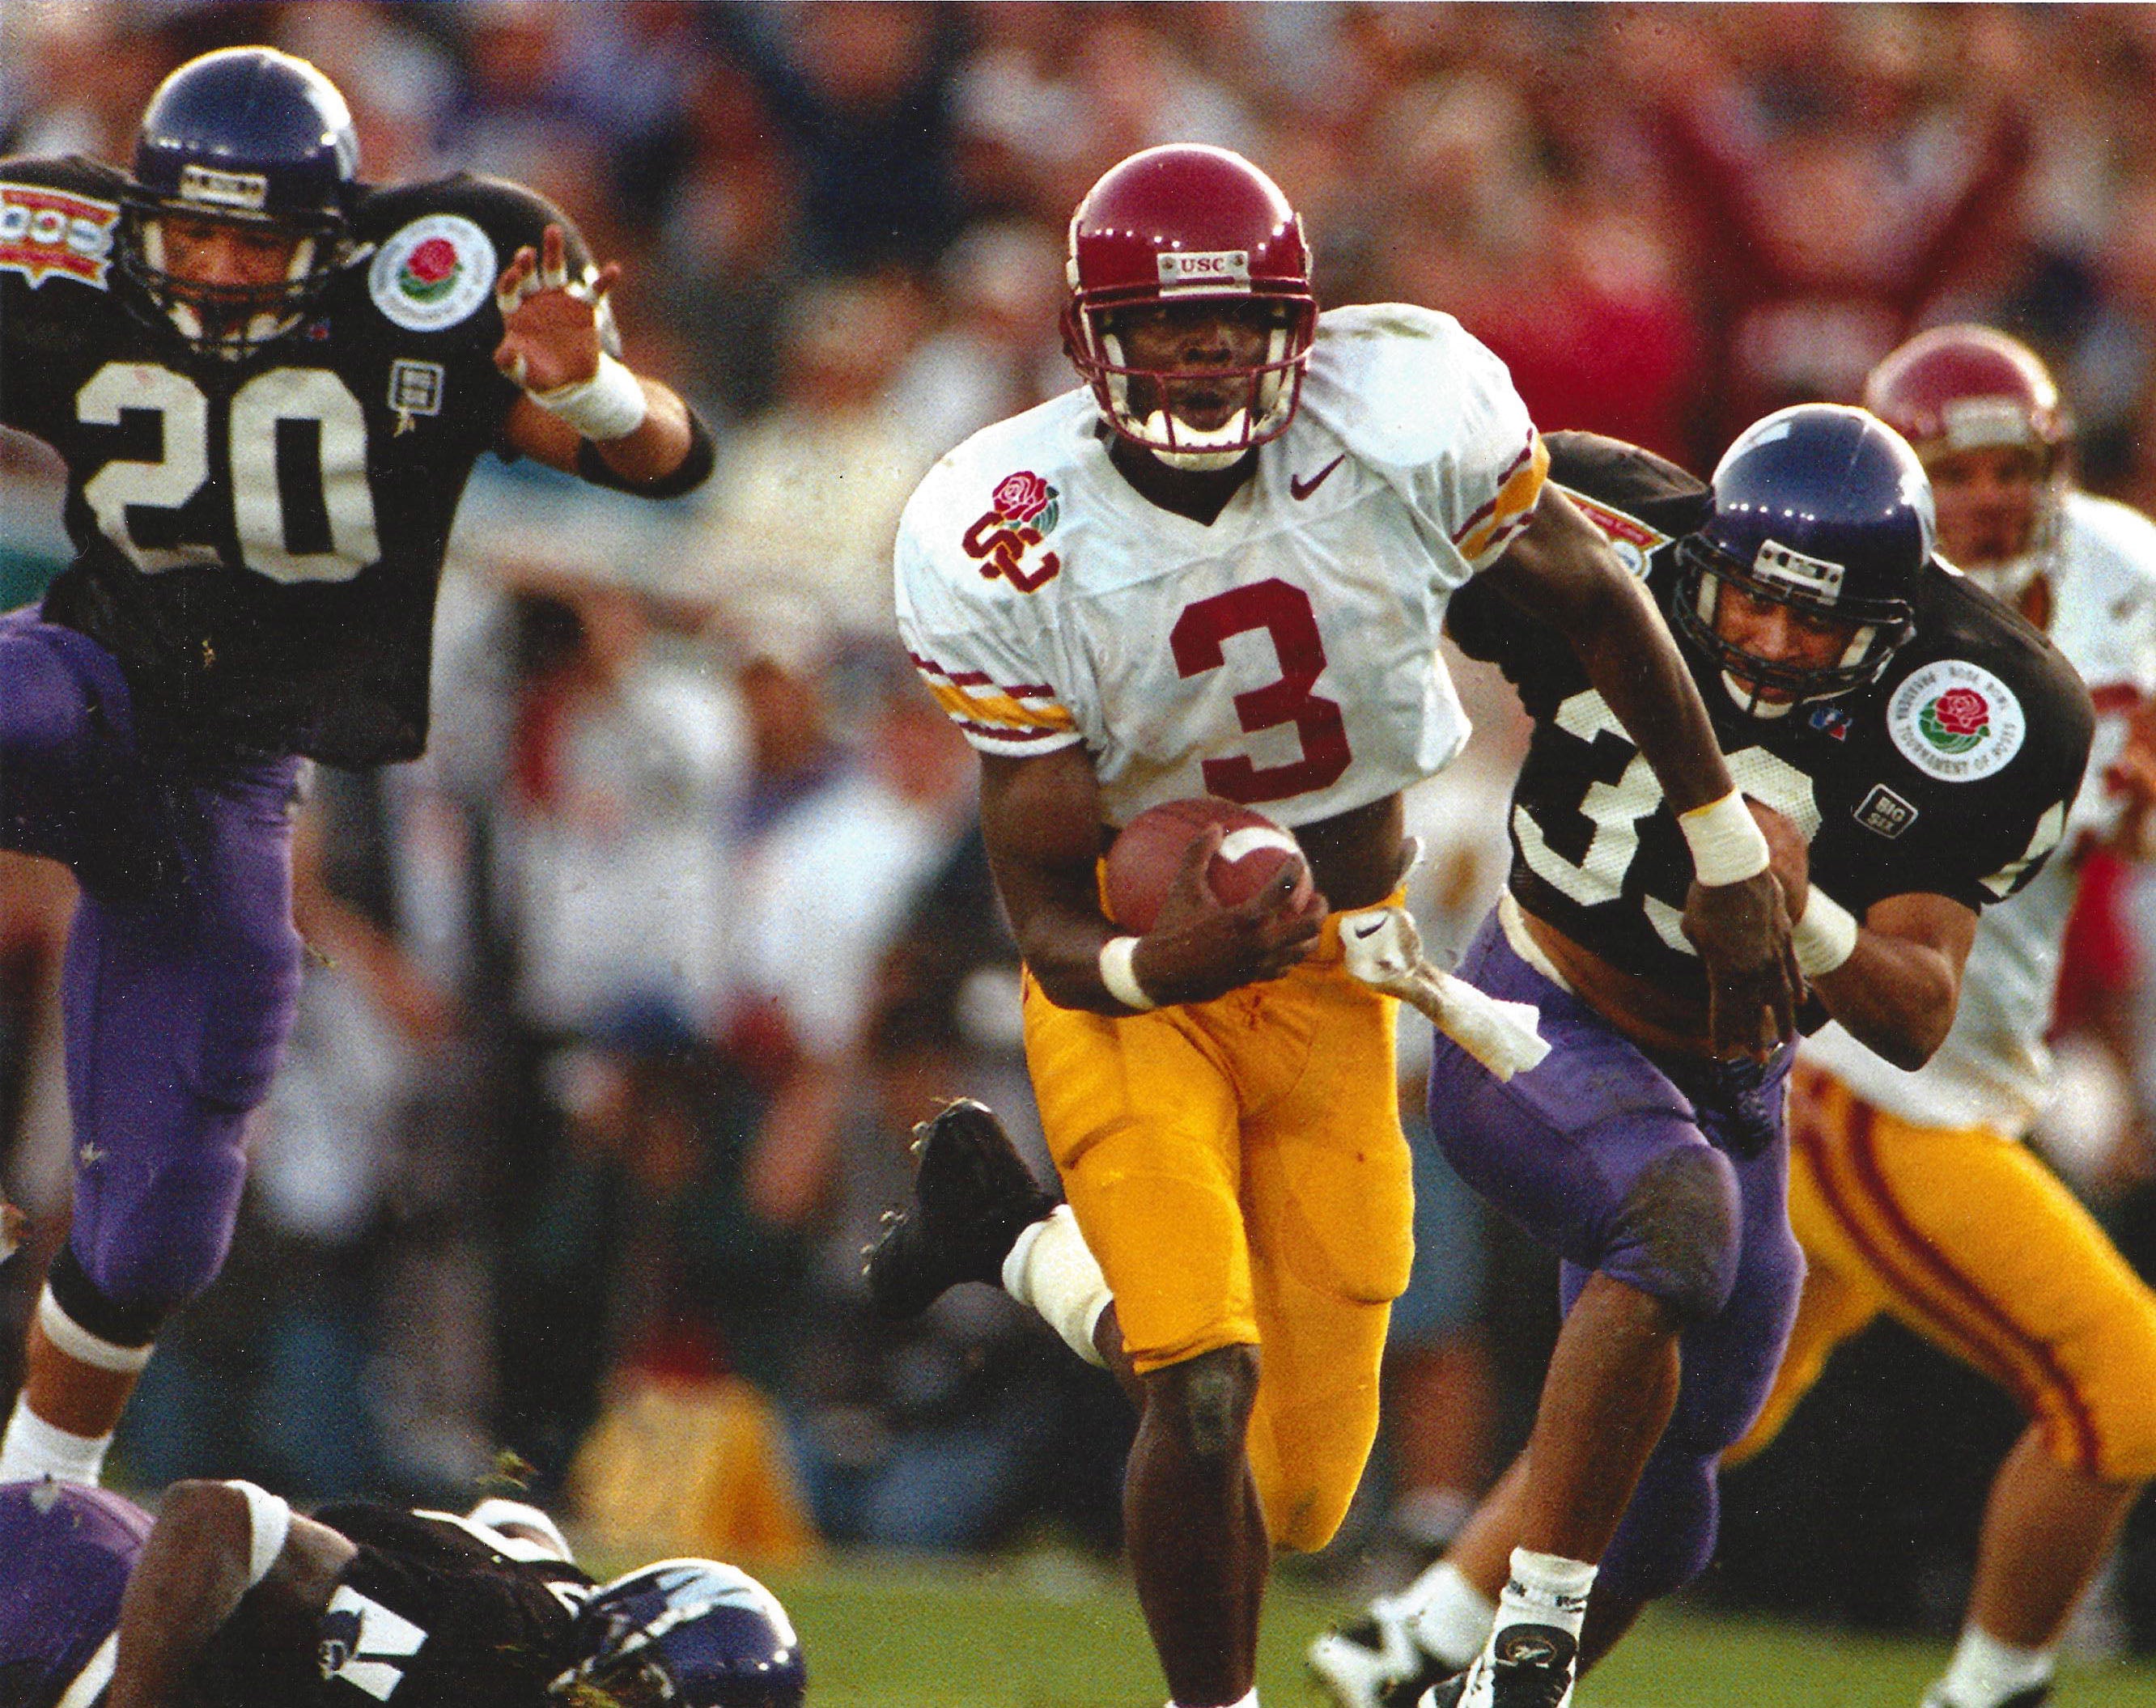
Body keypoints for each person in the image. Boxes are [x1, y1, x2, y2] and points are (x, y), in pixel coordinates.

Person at [881, 403, 2093, 1708]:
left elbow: (1911, 1011)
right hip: (1536, 1009)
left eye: (1818, 625)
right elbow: (1333, 546)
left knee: (1664, 1491)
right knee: (1668, 1229)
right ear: (1701, 564)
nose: (1773, 643)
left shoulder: (1986, 700)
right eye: (1748, 604)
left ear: (1896, 622)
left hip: (1732, 1076)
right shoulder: (1593, 527)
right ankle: (1524, 1660)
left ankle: (1027, 1250)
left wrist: (1791, 905)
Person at [889, 142, 1797, 1708]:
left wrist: (1722, 838)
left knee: (1302, 1484)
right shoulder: (1003, 523)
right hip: (1140, 987)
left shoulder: (1402, 409)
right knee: (1199, 1388)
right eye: (1160, 333)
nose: (1196, 362)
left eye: (1230, 328)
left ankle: (1031, 1254)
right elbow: (1038, 906)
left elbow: (1593, 591)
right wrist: (1150, 964)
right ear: (1083, 342)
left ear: (1296, 330)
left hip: (1341, 955)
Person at [0, 45, 712, 1488]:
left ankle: (32, 1505)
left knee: (162, 1223)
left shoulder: (434, 284)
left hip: (234, 778)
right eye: (187, 229)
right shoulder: (57, 251)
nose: (209, 265)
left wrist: (587, 395)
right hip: (90, 682)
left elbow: (676, 463)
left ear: (326, 242)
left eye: (250, 238)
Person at [1720, 328, 2156, 1708]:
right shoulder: (1875, 614)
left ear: (2052, 466)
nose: (1978, 498)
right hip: (1870, 1068)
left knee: (1699, 1414)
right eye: (1947, 471)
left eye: (2004, 467)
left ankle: (1435, 1627)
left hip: (1977, 1057)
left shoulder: (2124, 579)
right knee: (2125, 1385)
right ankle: (1987, 1690)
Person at [0, 1475, 804, 1708]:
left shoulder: (556, 1612)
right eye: (621, 1697)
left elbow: (515, 1519)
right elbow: (213, 1515)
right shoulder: (477, 1635)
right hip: (71, 1604)